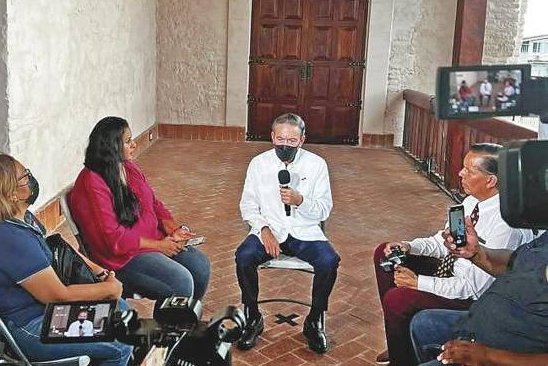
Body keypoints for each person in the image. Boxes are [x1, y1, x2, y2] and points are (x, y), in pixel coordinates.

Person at [0, 155, 133, 365]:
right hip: (27, 326)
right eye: (25, 177)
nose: (31, 179)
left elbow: (55, 247)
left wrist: (99, 273)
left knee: (123, 312)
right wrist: (109, 289)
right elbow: (59, 296)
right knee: (122, 339)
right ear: (10, 193)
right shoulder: (7, 239)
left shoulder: (21, 219)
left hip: (38, 312)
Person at [373, 143, 534, 366]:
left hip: (474, 299)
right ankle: (398, 339)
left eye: (469, 170)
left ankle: (402, 358)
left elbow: (474, 289)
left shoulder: (506, 223)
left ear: (491, 181)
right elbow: (443, 241)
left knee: (397, 299)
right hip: (451, 271)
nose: (460, 173)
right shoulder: (471, 202)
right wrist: (409, 246)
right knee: (385, 251)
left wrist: (418, 283)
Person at [68, 116, 210, 301]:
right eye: (127, 141)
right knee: (181, 281)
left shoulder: (128, 168)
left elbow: (154, 203)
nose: (134, 144)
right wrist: (159, 246)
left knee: (200, 267)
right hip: (122, 258)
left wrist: (173, 229)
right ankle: (171, 328)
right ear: (111, 146)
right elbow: (113, 238)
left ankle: (181, 323)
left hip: (151, 241)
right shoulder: (92, 181)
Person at [235, 113, 340, 354]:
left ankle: (314, 320)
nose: (285, 145)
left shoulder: (317, 165)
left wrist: (300, 200)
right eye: (280, 139)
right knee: (243, 257)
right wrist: (263, 230)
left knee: (329, 260)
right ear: (272, 137)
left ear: (302, 139)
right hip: (269, 230)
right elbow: (248, 205)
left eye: (291, 141)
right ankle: (252, 316)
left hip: (305, 232)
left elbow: (325, 208)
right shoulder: (258, 164)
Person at [410, 219, 548, 366]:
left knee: (402, 302)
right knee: (423, 323)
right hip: (484, 323)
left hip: (507, 353)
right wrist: (478, 254)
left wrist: (489, 356)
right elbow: (517, 262)